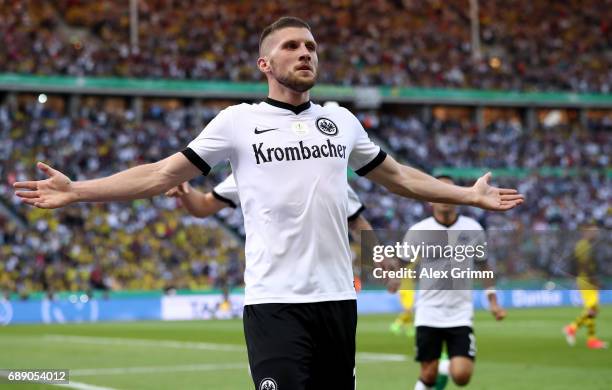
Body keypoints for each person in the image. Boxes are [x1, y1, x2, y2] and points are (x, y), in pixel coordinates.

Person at [14, 16, 523, 390]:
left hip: (336, 303)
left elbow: (399, 177)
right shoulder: (237, 122)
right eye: (292, 46)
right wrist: (78, 189)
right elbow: (161, 174)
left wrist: (467, 195)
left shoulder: (341, 121)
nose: (306, 53)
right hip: (274, 305)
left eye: (311, 47)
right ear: (265, 63)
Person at [165, 175, 385, 292]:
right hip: (273, 292)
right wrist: (185, 192)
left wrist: (380, 257)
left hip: (330, 290)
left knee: (333, 378)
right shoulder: (252, 168)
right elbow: (203, 206)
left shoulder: (329, 173)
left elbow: (357, 222)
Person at [404, 176, 507, 390]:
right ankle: (437, 371)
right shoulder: (418, 231)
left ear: (458, 197)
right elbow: (402, 262)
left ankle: (445, 368)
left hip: (460, 313)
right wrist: (393, 276)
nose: (444, 197)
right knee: (427, 373)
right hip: (428, 311)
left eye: (449, 191)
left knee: (461, 376)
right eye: (438, 191)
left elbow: (483, 266)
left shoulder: (473, 228)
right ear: (430, 198)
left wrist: (493, 302)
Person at [563, 224, 608, 349]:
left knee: (593, 309)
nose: (595, 234)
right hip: (587, 280)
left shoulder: (585, 245)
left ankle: (589, 338)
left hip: (586, 279)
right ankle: (573, 328)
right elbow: (585, 265)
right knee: (592, 309)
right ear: (585, 232)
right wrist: (594, 281)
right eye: (593, 231)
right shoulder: (584, 245)